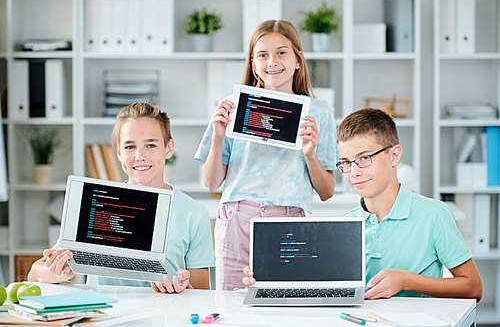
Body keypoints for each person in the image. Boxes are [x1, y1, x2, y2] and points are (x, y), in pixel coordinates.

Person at [243, 107, 483, 301]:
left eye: (364, 159)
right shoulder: (346, 224)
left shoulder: (434, 215)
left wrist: (406, 280)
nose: (353, 172)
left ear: (394, 155)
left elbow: (473, 287)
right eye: (346, 162)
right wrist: (269, 279)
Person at [194, 20, 337, 291]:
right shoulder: (233, 107)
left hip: (289, 221)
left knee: (284, 310)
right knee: (232, 310)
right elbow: (211, 184)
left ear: (298, 59)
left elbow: (327, 191)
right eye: (263, 55)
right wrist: (217, 136)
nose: (272, 61)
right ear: (253, 63)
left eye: (282, 52)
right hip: (237, 220)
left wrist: (309, 154)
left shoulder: (318, 113)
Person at [28, 102, 215, 293]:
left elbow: (202, 292)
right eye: (130, 146)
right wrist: (58, 272)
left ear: (168, 148)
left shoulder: (194, 214)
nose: (140, 156)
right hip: (107, 314)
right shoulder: (95, 202)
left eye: (151, 145)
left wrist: (184, 287)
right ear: (118, 152)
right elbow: (35, 273)